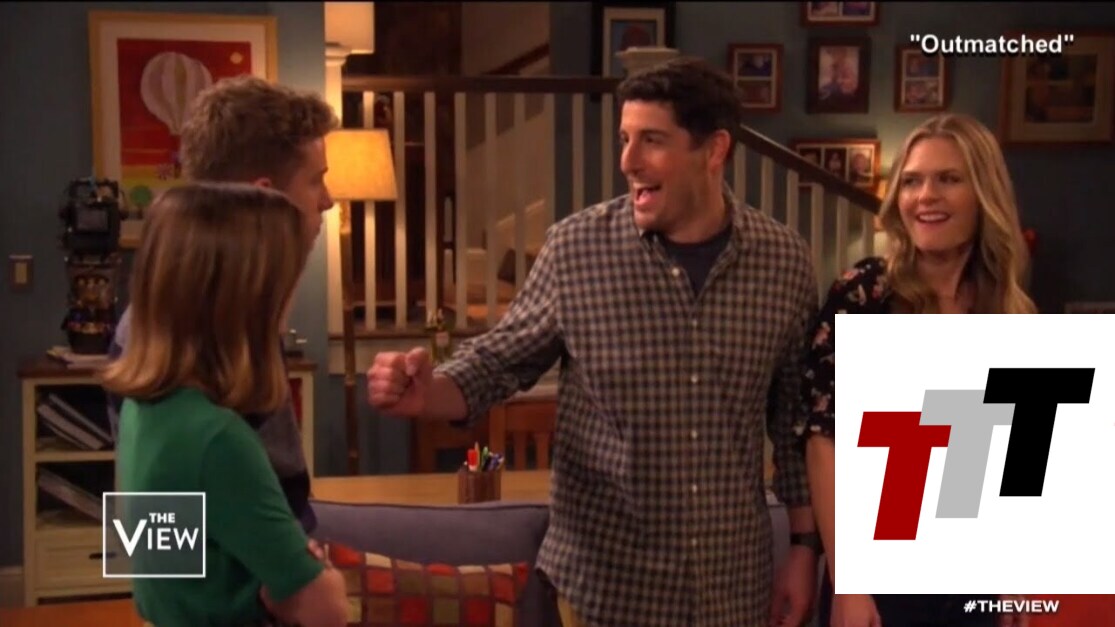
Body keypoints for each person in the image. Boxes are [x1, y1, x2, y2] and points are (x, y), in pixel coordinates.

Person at [367, 57, 822, 626]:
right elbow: (497, 362)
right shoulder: (576, 250)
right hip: (606, 590)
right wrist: (427, 393)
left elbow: (793, 425)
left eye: (652, 140)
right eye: (625, 139)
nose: (628, 161)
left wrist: (804, 549)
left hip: (731, 591)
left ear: (714, 151)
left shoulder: (783, 262)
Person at [798, 113, 1037, 627]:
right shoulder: (865, 294)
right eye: (911, 181)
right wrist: (851, 582)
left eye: (948, 179)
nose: (925, 196)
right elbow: (824, 442)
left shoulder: (1007, 308)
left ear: (984, 193)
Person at [100, 183, 348, 627]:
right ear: (250, 300)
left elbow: (167, 578)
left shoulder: (146, 409)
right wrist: (317, 581)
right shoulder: (217, 440)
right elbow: (324, 609)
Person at [105, 74, 338, 533]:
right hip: (252, 573)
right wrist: (303, 569)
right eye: (316, 182)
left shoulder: (235, 314)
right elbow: (162, 540)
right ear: (266, 196)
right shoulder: (182, 349)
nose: (328, 202)